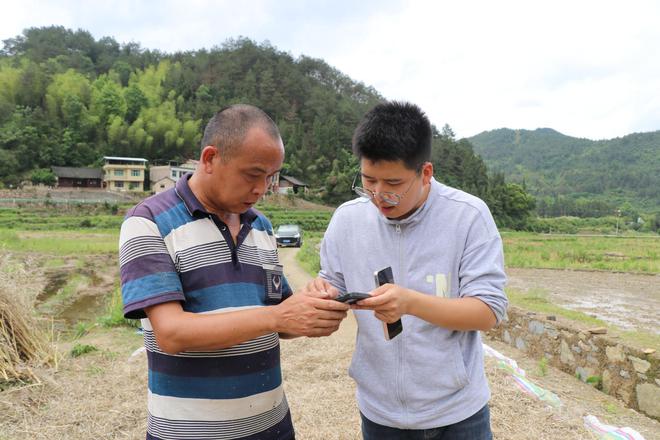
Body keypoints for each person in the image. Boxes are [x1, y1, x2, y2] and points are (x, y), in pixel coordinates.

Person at [119, 104, 349, 440]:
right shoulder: (148, 222)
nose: (262, 189)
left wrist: (312, 307)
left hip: (273, 427)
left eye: (271, 177)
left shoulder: (262, 226)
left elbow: (281, 316)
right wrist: (278, 318)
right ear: (210, 159)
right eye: (253, 174)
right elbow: (172, 334)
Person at [304, 101, 508, 439]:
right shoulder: (347, 219)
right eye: (369, 181)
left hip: (458, 414)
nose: (379, 195)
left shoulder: (468, 216)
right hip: (380, 413)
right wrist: (322, 294)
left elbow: (487, 311)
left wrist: (411, 303)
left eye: (393, 184)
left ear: (425, 173)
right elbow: (330, 281)